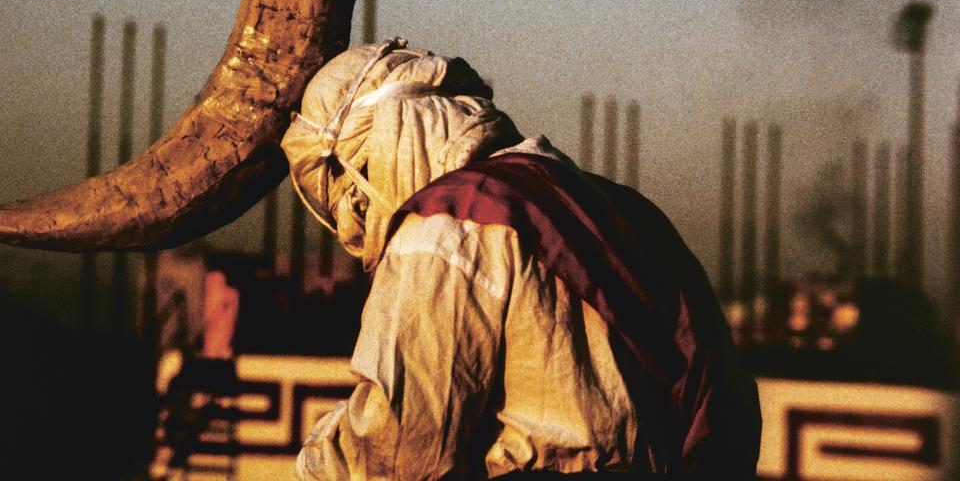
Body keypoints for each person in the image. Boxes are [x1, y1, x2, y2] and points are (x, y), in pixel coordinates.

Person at [280, 39, 760, 479]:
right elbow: (728, 409)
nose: (354, 227)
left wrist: (316, 460)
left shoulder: (451, 221)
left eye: (353, 193)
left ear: (385, 144)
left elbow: (397, 448)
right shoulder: (630, 210)